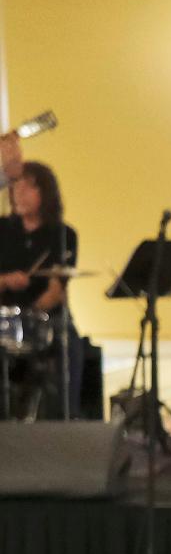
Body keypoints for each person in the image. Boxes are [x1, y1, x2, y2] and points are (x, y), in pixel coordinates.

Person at [0, 161, 83, 415]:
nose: (19, 193)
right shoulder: (2, 229)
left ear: (45, 193)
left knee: (70, 344)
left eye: (28, 187)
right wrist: (6, 281)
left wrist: (31, 317)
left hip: (44, 317)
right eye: (16, 187)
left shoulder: (63, 234)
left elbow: (57, 288)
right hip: (4, 317)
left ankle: (66, 421)